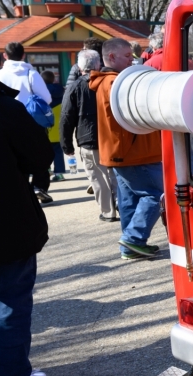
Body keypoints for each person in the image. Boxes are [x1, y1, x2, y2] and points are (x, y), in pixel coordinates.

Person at [0, 69, 54, 376]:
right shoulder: (3, 106)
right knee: (12, 304)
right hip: (6, 221)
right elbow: (39, 155)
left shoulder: (3, 104)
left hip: (4, 223)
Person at [89, 38, 165, 260]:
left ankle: (130, 246)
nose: (132, 60)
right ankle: (133, 238)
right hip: (135, 151)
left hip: (120, 152)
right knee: (155, 195)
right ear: (111, 57)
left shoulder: (105, 81)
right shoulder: (116, 82)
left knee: (129, 199)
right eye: (126, 56)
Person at [60, 49, 118, 222]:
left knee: (98, 176)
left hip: (89, 137)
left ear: (79, 67)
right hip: (112, 136)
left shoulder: (74, 87)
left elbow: (66, 117)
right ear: (99, 64)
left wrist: (66, 145)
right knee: (115, 173)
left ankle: (108, 212)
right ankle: (123, 205)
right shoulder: (109, 82)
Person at [0, 42, 54, 204]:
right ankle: (39, 186)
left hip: (6, 121)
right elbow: (47, 98)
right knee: (39, 154)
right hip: (32, 120)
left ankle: (21, 189)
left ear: (5, 56)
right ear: (23, 55)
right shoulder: (31, 74)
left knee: (14, 156)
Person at [41, 71, 66, 182]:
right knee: (58, 151)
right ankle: (59, 173)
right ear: (53, 79)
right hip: (58, 127)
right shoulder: (61, 91)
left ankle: (47, 170)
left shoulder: (40, 92)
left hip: (45, 125)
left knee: (44, 150)